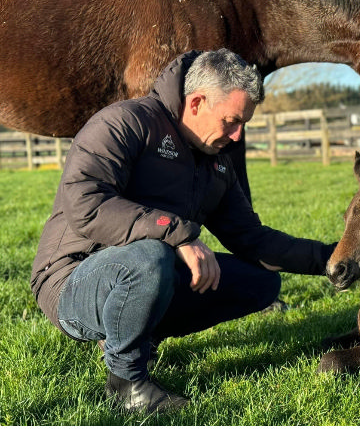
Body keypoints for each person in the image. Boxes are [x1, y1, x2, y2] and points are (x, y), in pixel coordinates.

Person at [30, 49, 336, 413]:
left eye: (244, 125)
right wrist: (177, 232)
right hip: (71, 280)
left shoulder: (216, 161)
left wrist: (333, 259)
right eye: (231, 121)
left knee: (261, 283)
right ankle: (126, 384)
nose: (238, 136)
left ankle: (142, 329)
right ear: (196, 102)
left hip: (148, 271)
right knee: (150, 256)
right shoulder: (123, 123)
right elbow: (86, 202)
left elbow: (252, 239)